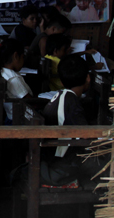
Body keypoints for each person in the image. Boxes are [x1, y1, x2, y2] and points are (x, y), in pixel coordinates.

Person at [40, 54, 95, 187]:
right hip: (60, 165)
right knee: (105, 163)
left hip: (47, 159)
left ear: (62, 82)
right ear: (88, 78)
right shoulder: (73, 104)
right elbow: (86, 136)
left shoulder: (60, 96)